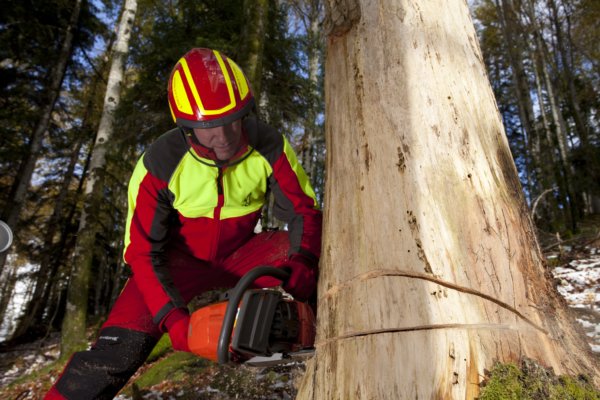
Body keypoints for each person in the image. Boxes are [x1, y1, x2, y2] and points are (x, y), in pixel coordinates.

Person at [44, 48, 322, 400]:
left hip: (242, 251)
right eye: (209, 129)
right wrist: (174, 320)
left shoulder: (269, 144)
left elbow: (304, 211)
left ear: (245, 112)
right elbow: (142, 253)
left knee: (316, 255)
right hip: (174, 264)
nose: (222, 137)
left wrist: (305, 261)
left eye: (231, 122)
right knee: (114, 355)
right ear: (187, 127)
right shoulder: (159, 164)